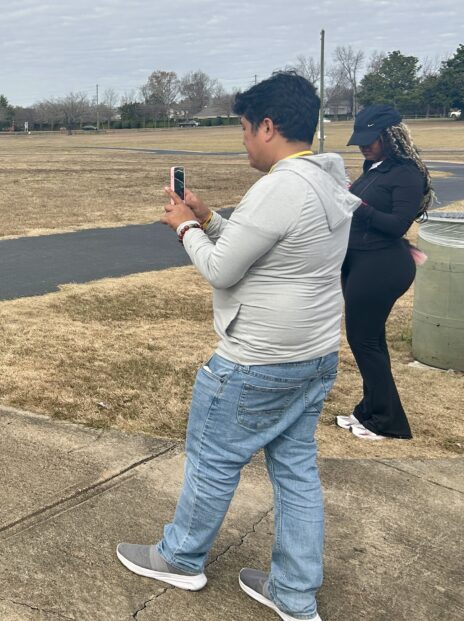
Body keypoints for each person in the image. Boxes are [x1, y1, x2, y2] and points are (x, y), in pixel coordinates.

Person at [114, 73, 360, 621]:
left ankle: (180, 557)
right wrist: (207, 217)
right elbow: (268, 249)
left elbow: (222, 270)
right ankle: (294, 593)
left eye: (246, 130)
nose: (244, 141)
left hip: (256, 360)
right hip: (313, 355)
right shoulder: (328, 182)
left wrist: (183, 228)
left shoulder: (279, 186)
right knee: (296, 471)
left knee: (212, 461)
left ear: (268, 126)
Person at [338, 105, 433, 441]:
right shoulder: (374, 168)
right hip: (361, 261)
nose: (363, 146)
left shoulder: (406, 172)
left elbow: (396, 225)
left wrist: (358, 207)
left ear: (390, 136)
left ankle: (386, 420)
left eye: (370, 139)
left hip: (382, 265)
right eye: (360, 139)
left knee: (363, 341)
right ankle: (371, 410)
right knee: (370, 342)